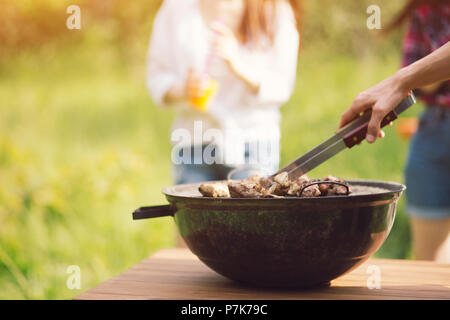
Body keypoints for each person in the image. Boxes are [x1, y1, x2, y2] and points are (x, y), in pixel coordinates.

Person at [146, 0, 302, 185]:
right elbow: (157, 75)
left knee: (250, 214)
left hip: (253, 143)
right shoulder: (176, 8)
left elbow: (281, 86)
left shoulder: (274, 10)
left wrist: (237, 64)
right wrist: (185, 89)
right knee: (193, 214)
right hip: (193, 142)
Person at [340, 2, 450, 262]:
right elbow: (427, 87)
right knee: (429, 256)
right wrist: (420, 74)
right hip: (435, 129)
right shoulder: (427, 9)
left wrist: (407, 78)